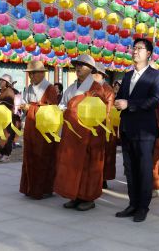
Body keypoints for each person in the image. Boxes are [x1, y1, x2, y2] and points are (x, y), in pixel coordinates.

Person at [114, 38, 159, 222]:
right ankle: (132, 203)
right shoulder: (127, 76)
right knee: (130, 169)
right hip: (127, 128)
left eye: (139, 49)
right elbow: (121, 96)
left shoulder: (156, 75)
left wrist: (130, 104)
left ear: (148, 53)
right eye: (133, 48)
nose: (135, 51)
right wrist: (119, 102)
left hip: (145, 131)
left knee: (143, 169)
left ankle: (143, 207)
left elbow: (154, 100)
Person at [54, 54, 106, 211]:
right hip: (71, 133)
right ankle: (74, 195)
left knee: (87, 166)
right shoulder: (71, 88)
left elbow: (99, 112)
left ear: (91, 69)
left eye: (82, 65)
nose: (78, 68)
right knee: (72, 165)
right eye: (77, 65)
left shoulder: (96, 88)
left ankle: (88, 198)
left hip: (88, 133)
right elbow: (62, 105)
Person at [19, 61, 58, 199]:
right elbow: (26, 103)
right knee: (29, 155)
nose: (31, 76)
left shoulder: (50, 89)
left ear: (42, 73)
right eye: (30, 73)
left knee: (43, 156)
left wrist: (30, 108)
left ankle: (43, 189)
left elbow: (51, 109)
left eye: (33, 73)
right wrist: (23, 107)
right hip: (30, 125)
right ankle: (29, 187)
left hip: (44, 128)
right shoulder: (29, 87)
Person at [92, 63, 116, 190]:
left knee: (105, 153)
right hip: (92, 123)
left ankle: (103, 178)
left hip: (105, 124)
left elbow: (108, 108)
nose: (93, 75)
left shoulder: (107, 89)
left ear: (100, 75)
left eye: (95, 73)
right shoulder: (90, 86)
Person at [0, 74, 16, 162]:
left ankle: (6, 154)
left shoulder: (10, 91)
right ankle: (1, 152)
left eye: (2, 81)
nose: (0, 82)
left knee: (6, 136)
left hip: (7, 117)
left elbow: (9, 104)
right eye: (0, 80)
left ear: (7, 83)